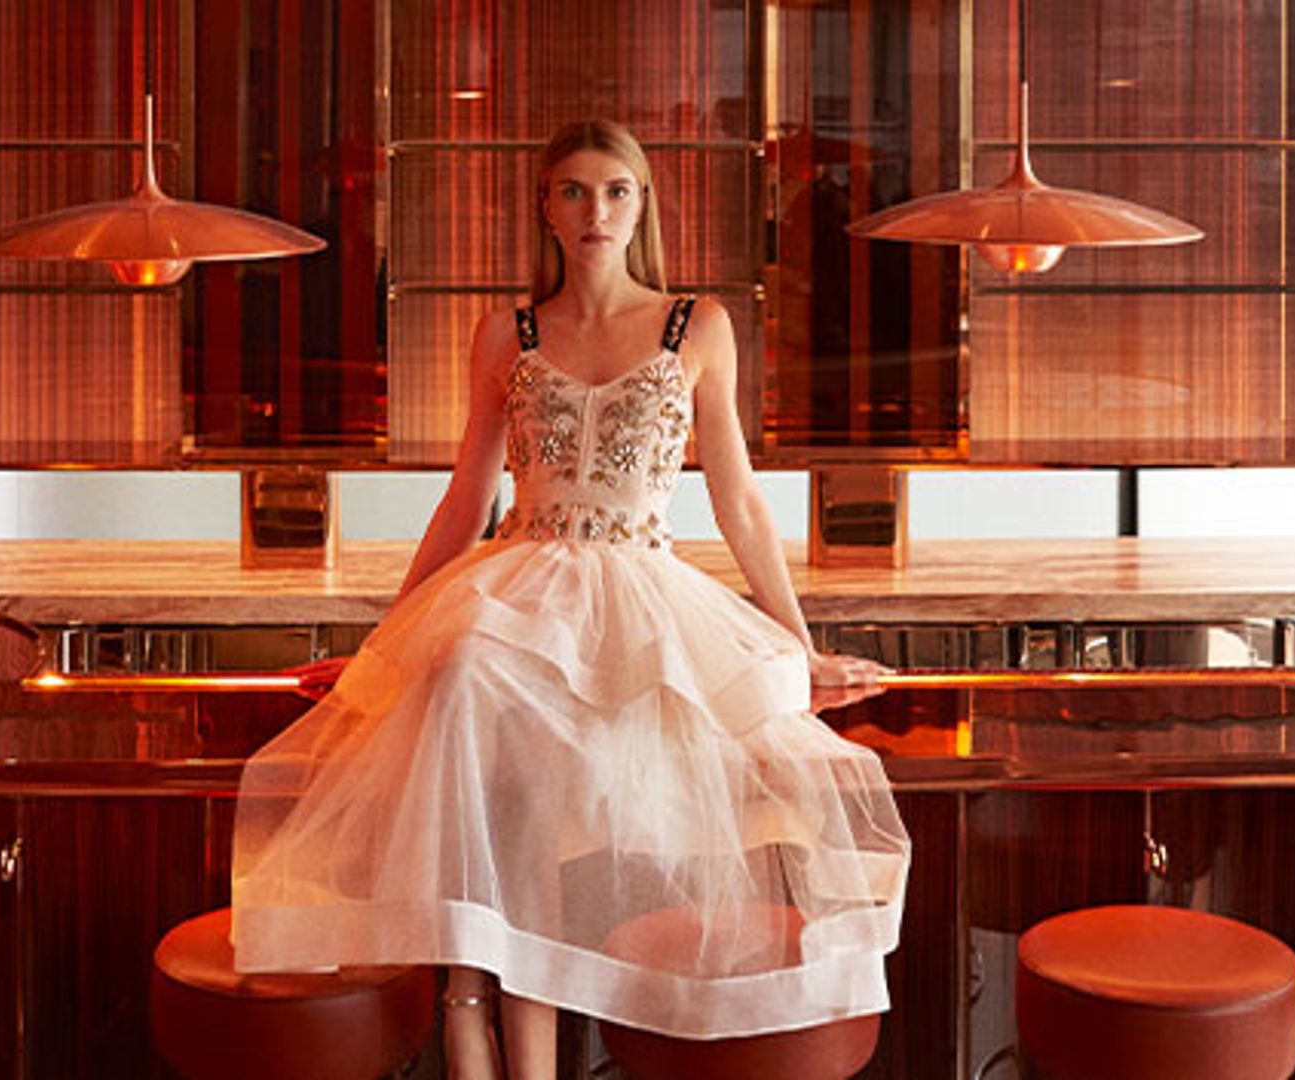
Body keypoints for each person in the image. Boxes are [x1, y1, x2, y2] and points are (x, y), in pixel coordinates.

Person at [231, 119, 910, 1080]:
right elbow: (467, 499)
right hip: (517, 590)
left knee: (554, 846)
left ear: (643, 206)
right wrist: (385, 650)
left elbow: (739, 499)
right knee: (468, 691)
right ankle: (476, 1035)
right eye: (576, 192)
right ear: (546, 209)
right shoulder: (505, 334)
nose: (598, 212)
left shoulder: (697, 325)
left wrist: (798, 651)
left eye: (618, 191)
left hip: (641, 603)